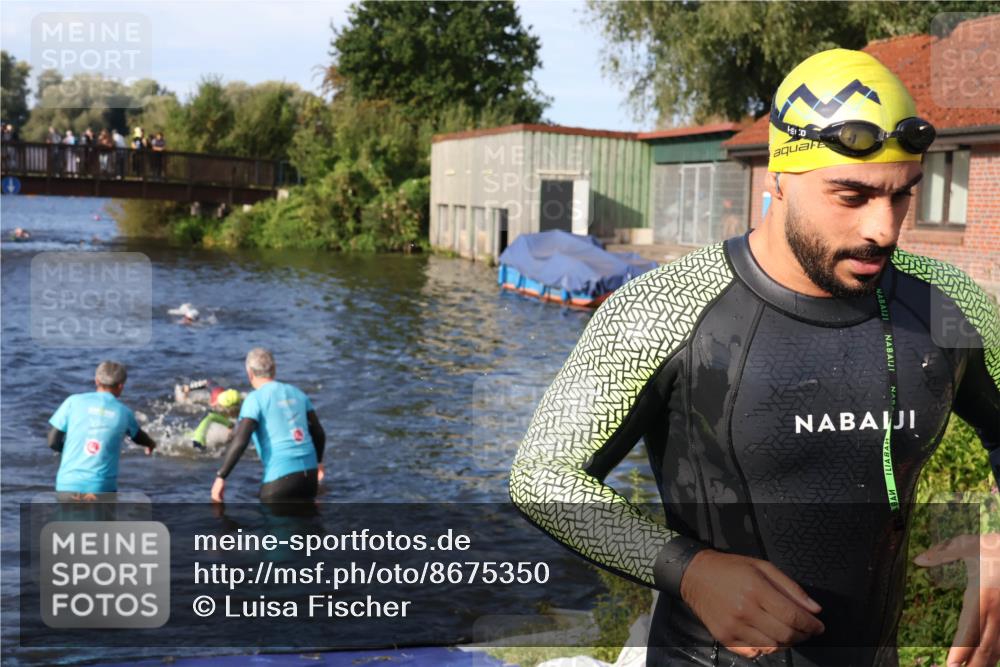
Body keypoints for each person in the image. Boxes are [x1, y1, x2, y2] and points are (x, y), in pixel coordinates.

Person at [509, 48, 999, 667]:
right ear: (778, 177)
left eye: (902, 195)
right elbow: (543, 476)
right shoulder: (668, 306)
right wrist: (689, 571)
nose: (885, 228)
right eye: (852, 195)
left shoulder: (946, 304)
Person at [211, 348, 326, 503]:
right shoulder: (298, 393)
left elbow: (241, 441)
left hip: (280, 478)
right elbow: (319, 433)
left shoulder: (254, 399)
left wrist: (221, 476)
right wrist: (318, 463)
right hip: (310, 476)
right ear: (275, 369)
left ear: (249, 373)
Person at [47, 361, 157, 499]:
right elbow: (138, 436)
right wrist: (151, 444)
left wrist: (70, 450)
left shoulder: (72, 402)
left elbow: (52, 441)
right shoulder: (124, 413)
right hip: (101, 488)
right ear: (121, 386)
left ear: (96, 381)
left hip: (67, 485)